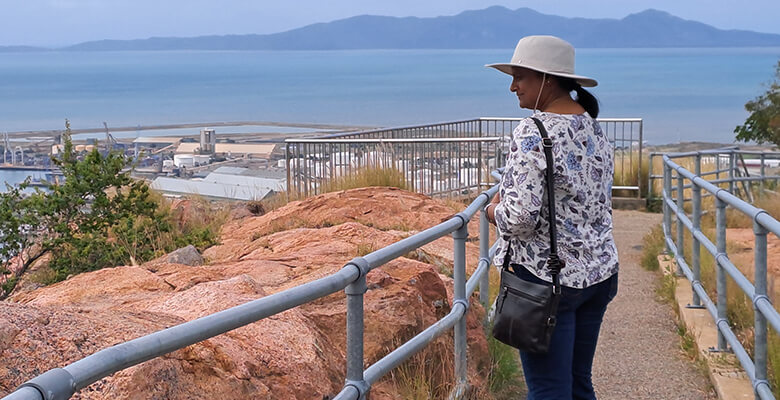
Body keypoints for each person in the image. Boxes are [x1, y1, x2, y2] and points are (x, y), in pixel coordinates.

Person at [483, 35, 619, 400]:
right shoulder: (593, 127)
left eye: (520, 77)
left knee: (548, 390)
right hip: (598, 273)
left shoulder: (534, 131)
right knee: (577, 384)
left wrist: (492, 209)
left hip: (547, 279)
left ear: (548, 79)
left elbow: (520, 218)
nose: (513, 87)